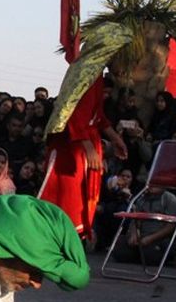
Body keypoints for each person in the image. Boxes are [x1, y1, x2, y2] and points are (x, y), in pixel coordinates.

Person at [39, 77, 128, 244]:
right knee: (67, 200)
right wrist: (89, 149)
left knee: (79, 201)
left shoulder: (97, 75)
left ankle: (68, 244)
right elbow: (75, 116)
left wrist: (115, 138)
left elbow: (97, 116)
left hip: (83, 146)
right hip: (71, 151)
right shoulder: (87, 75)